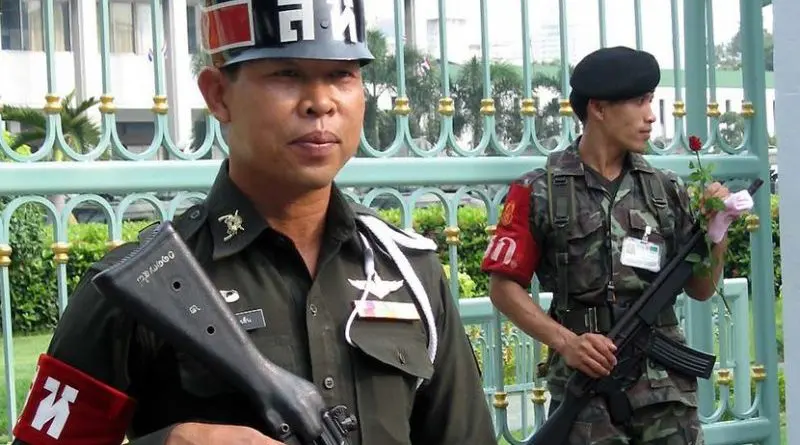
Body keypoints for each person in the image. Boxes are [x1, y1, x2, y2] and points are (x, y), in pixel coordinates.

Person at [10, 1, 495, 444]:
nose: (320, 103)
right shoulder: (136, 284)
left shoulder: (406, 271)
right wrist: (173, 443)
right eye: (287, 74)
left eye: (342, 75)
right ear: (218, 95)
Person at [481, 46, 730, 444]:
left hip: (665, 393)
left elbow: (701, 289)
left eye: (650, 100)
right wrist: (566, 342)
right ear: (598, 108)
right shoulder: (540, 189)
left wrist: (717, 235)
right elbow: (503, 287)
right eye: (638, 101)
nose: (651, 115)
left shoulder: (665, 189)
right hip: (588, 388)